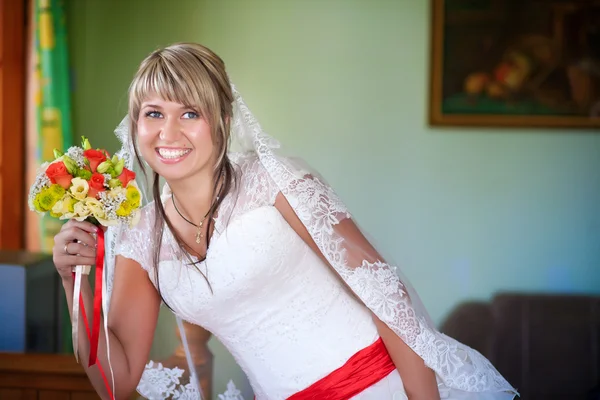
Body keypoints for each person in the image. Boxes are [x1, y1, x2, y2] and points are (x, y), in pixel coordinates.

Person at [52, 42, 519, 400]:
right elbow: (116, 380)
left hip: (381, 386)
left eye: (189, 113)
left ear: (222, 119)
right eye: (153, 114)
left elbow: (384, 291)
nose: (167, 133)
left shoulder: (274, 181)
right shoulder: (141, 234)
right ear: (136, 125)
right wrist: (76, 284)